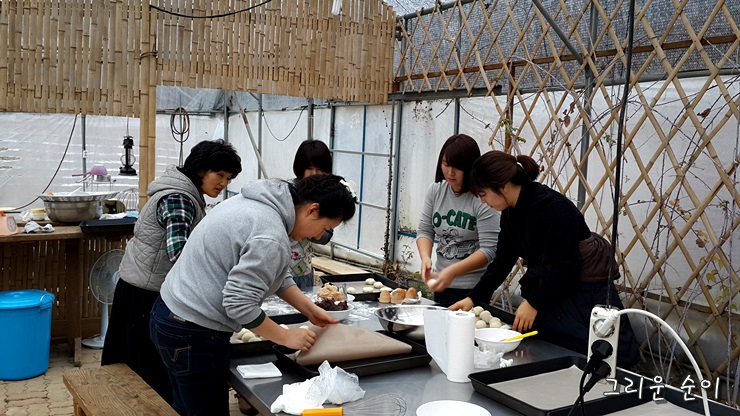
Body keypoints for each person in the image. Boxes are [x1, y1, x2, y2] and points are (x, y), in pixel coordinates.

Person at [149, 173, 357, 415]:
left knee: (185, 408)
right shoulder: (271, 234)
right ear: (312, 210)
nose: (318, 236)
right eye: (324, 228)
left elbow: (274, 272)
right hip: (193, 333)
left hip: (169, 315)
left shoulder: (261, 203)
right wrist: (284, 336)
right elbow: (239, 305)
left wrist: (309, 309)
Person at [451, 150, 640, 368]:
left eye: (483, 194)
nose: (483, 202)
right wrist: (473, 298)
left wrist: (533, 302)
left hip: (583, 293)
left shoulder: (552, 207)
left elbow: (567, 265)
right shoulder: (511, 212)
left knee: (604, 357)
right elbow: (503, 259)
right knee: (552, 352)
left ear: (503, 186)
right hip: (553, 290)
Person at [101, 139, 242, 402]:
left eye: (229, 178)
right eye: (219, 175)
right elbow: (180, 252)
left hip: (139, 288)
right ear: (201, 170)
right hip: (146, 295)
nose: (224, 184)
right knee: (146, 377)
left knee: (139, 370)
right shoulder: (179, 199)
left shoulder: (183, 192)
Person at [416, 134, 500, 307]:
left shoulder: (482, 197)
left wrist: (453, 271)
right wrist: (425, 258)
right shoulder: (436, 190)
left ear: (470, 167)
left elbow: (489, 249)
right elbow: (425, 230)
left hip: (473, 290)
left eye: (458, 167)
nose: (450, 172)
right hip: (441, 283)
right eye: (446, 164)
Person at [289, 140, 334, 291]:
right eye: (309, 168)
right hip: (280, 274)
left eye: (319, 169)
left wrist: (311, 230)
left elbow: (326, 237)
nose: (314, 174)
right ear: (300, 168)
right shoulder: (287, 192)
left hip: (305, 271)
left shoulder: (325, 197)